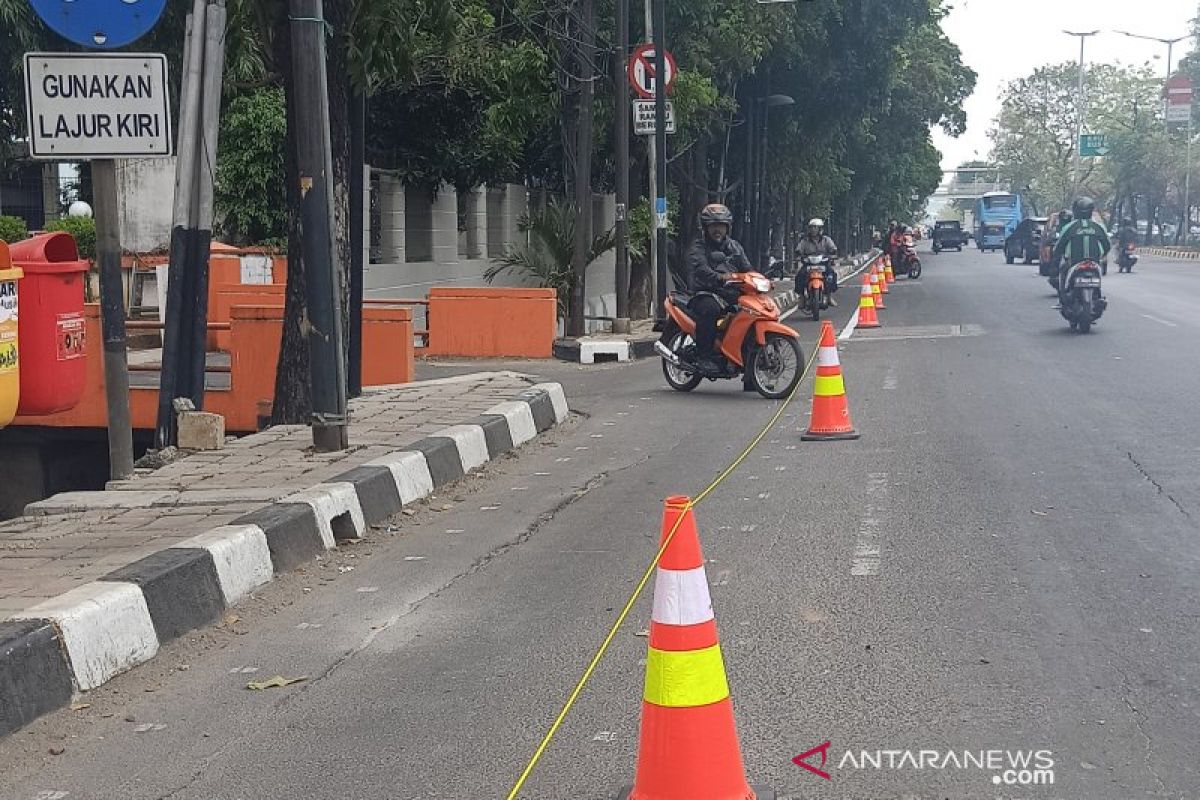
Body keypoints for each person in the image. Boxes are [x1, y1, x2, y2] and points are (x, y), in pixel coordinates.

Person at [684, 203, 751, 377]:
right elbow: (700, 268)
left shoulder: (734, 247)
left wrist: (759, 279)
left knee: (750, 312)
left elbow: (746, 267)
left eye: (721, 226)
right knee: (710, 309)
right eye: (713, 226)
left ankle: (749, 367)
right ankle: (704, 355)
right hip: (704, 291)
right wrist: (719, 277)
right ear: (706, 227)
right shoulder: (699, 246)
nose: (717, 230)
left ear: (727, 227)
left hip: (729, 293)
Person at [1052, 196, 1110, 299]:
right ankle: (1097, 295)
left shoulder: (1070, 227)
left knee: (1062, 269)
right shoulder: (1098, 226)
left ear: (1075, 211)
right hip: (1094, 262)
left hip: (1073, 262)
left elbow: (1059, 245)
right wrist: (1103, 255)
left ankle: (1063, 295)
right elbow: (1107, 244)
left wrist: (1056, 256)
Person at [795, 218, 840, 306]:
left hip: (823, 263)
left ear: (820, 229)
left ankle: (829, 297)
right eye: (812, 227)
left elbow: (833, 248)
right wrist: (799, 254)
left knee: (831, 274)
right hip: (809, 264)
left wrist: (832, 253)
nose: (813, 230)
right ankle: (802, 297)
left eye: (816, 227)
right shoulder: (805, 241)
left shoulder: (826, 240)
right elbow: (799, 249)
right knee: (799, 276)